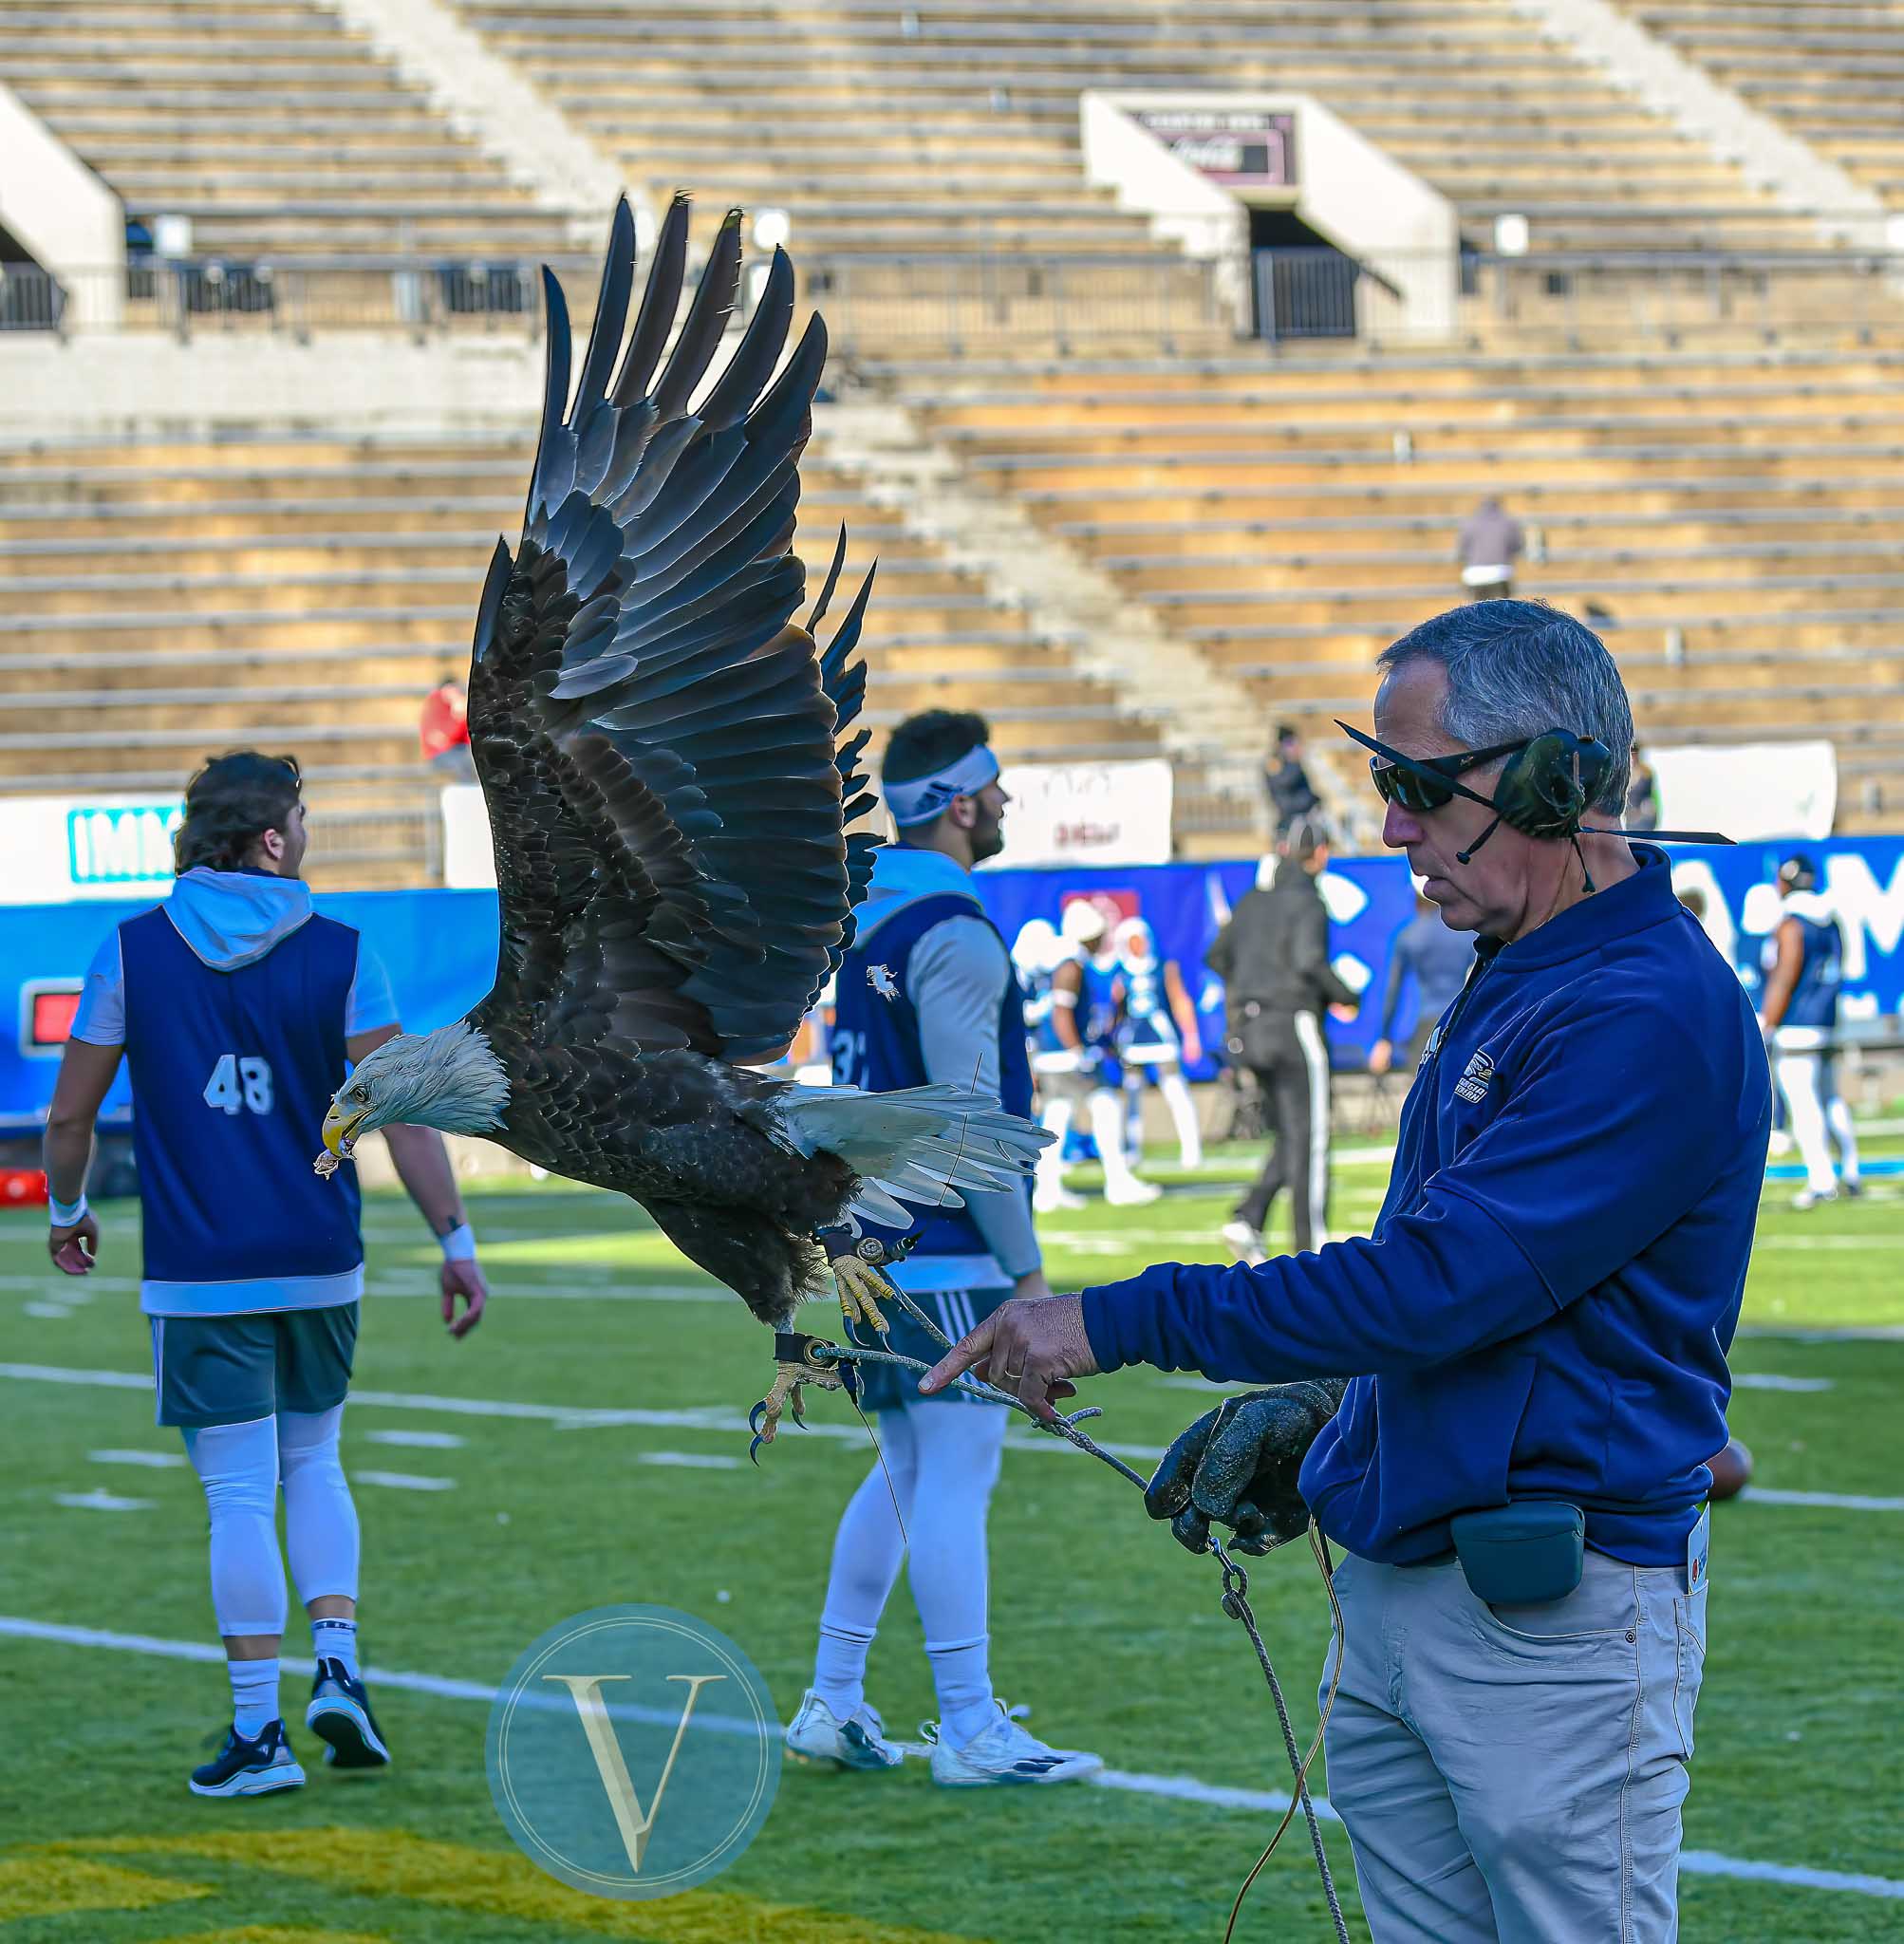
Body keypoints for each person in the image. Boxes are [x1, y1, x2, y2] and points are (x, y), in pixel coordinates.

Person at [922, 600, 1769, 1944]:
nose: (1390, 826)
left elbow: (1440, 1284)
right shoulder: (1526, 966)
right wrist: (1331, 1407)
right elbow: (1494, 1299)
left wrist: (1117, 1319)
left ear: (1557, 780)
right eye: (1384, 784)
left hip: (1541, 1622)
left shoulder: (1643, 1008)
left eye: (1422, 788)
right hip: (1412, 1588)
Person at [42, 751, 487, 1798]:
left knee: (238, 1490)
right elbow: (401, 1106)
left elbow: (69, 1115)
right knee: (315, 1462)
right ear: (273, 839)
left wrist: (66, 1211)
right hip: (320, 1259)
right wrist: (454, 1239)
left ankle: (259, 1733)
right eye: (302, 816)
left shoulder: (133, 950)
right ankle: (338, 1663)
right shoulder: (342, 951)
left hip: (201, 1270)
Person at [786, 710, 1100, 1787]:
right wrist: (1027, 1274)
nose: (1009, 804)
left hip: (871, 1244)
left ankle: (832, 1697)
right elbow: (969, 1125)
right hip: (949, 1249)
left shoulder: (865, 924)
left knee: (904, 1469)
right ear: (960, 803)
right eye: (998, 788)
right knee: (958, 1475)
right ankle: (966, 1723)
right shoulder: (955, 932)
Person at [1204, 820, 1357, 1263]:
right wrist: (1345, 995)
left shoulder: (1253, 901)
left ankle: (1249, 1215)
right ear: (1321, 853)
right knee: (1312, 1139)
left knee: (1291, 1136)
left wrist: (1250, 991)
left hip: (1250, 1030)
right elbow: (1309, 961)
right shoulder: (1307, 900)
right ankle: (1312, 1248)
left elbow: (1217, 956)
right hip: (1292, 1026)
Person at [1036, 900, 1160, 1209]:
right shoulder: (1070, 964)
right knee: (1106, 1108)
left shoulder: (1064, 960)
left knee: (1057, 1118)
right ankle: (1118, 1181)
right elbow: (1061, 1013)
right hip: (1065, 1058)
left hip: (1052, 1056)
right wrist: (1077, 1049)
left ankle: (1048, 1189)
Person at [1760, 852, 1861, 1210]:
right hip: (1828, 1019)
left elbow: (1785, 975)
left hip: (1798, 1024)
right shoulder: (1830, 920)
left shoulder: (1792, 924)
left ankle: (1821, 1180)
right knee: (1831, 1098)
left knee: (1805, 1105)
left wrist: (1769, 1021)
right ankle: (1851, 1171)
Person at [1111, 916, 1204, 1168]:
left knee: (1176, 1091)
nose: (1137, 947)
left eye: (1140, 940)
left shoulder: (1163, 966)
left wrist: (1191, 1036)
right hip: (1132, 1042)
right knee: (1132, 1096)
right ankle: (1132, 1150)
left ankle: (1191, 1149)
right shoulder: (1120, 972)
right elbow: (1116, 1010)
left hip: (1162, 1038)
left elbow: (1179, 1000)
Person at [1366, 877, 1473, 1082]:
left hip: (1428, 1029)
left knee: (1423, 1103)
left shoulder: (1409, 936)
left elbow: (1393, 991)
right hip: (1464, 1024)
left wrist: (1384, 1040)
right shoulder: (1467, 933)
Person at [1455, 495, 1523, 600]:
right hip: (1501, 573)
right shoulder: (1509, 522)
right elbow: (1518, 547)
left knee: (1477, 610)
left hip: (1474, 575)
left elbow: (1462, 550)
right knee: (1501, 612)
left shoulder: (1470, 523)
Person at [1263, 723, 1320, 835]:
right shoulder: (1275, 762)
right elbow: (1283, 782)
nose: (1293, 747)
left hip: (1303, 814)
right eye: (1289, 743)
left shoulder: (1292, 763)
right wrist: (1295, 762)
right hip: (1289, 817)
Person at [419, 672, 475, 782]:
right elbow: (444, 737)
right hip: (440, 753)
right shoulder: (436, 704)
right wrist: (459, 716)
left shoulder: (455, 704)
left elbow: (467, 737)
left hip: (458, 749)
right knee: (463, 763)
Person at [1626, 746, 1660, 832]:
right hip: (1630, 814)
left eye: (1634, 755)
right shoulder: (1626, 772)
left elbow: (1649, 794)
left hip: (1644, 811)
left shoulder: (1646, 771)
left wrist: (1640, 812)